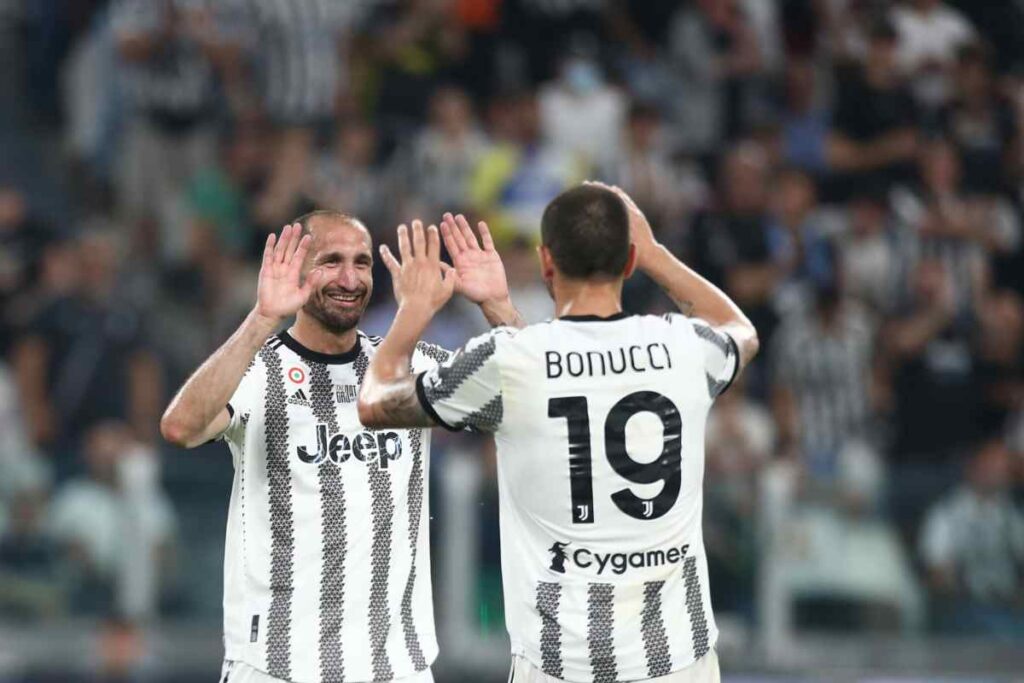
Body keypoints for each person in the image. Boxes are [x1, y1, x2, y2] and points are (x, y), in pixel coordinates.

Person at [359, 184, 759, 682]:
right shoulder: (683, 345)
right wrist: (657, 254)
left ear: (546, 262)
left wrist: (414, 309)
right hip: (676, 663)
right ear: (628, 261)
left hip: (559, 665)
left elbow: (376, 402)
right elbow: (741, 330)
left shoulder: (508, 359)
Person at [160, 210, 522, 683]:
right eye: (331, 261)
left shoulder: (410, 366)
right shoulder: (259, 370)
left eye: (362, 262)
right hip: (277, 666)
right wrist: (262, 318)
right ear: (298, 269)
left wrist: (497, 304)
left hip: (395, 668)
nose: (350, 278)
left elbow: (537, 400)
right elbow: (181, 428)